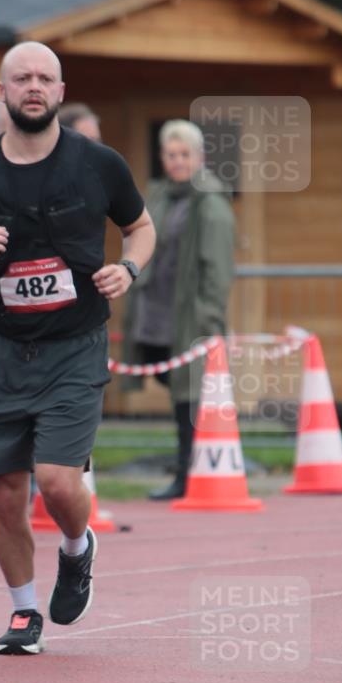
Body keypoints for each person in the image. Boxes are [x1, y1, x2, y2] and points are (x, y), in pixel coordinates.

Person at [0, 41, 155, 655]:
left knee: (54, 480)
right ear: (1, 91)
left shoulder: (98, 163)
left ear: (59, 91)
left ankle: (78, 548)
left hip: (75, 342)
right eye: (20, 77)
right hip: (0, 346)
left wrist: (128, 269)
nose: (33, 86)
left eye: (44, 78)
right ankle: (24, 612)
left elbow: (141, 226)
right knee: (3, 489)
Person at [122, 120, 234, 500]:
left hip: (192, 312)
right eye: (171, 155)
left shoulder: (211, 202)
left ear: (199, 157)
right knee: (176, 385)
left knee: (190, 391)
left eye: (185, 154)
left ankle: (190, 472)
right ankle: (189, 466)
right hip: (157, 309)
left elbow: (217, 267)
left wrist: (209, 318)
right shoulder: (160, 196)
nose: (177, 162)